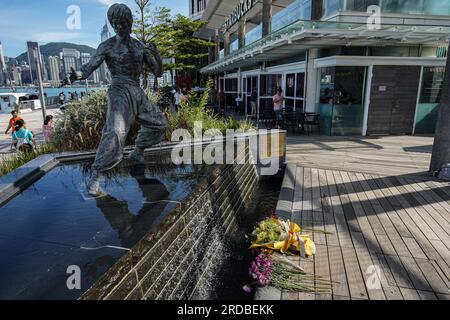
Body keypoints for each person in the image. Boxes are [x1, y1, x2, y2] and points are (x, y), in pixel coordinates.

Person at [62, 3, 167, 196]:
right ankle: (95, 176)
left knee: (159, 124)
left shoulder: (139, 46)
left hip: (136, 90)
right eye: (116, 23)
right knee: (115, 131)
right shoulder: (107, 45)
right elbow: (88, 68)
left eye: (124, 22)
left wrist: (156, 55)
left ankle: (138, 151)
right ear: (112, 24)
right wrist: (75, 75)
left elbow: (158, 72)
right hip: (118, 90)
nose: (120, 27)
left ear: (130, 22)